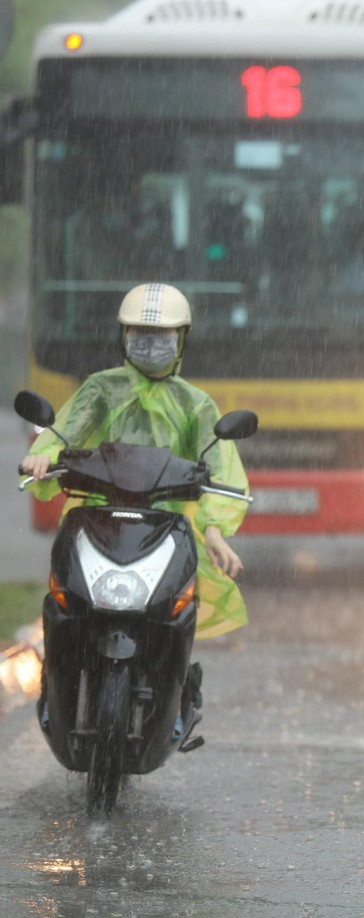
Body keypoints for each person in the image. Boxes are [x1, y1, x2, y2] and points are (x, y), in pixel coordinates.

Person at [22, 284, 250, 729]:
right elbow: (65, 431)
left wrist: (217, 530)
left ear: (181, 339)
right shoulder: (100, 389)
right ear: (122, 337)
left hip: (162, 526)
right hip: (100, 519)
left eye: (162, 335)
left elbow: (218, 467)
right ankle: (55, 680)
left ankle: (178, 686)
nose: (150, 344)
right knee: (66, 600)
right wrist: (43, 456)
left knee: (173, 610)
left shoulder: (196, 404)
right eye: (139, 334)